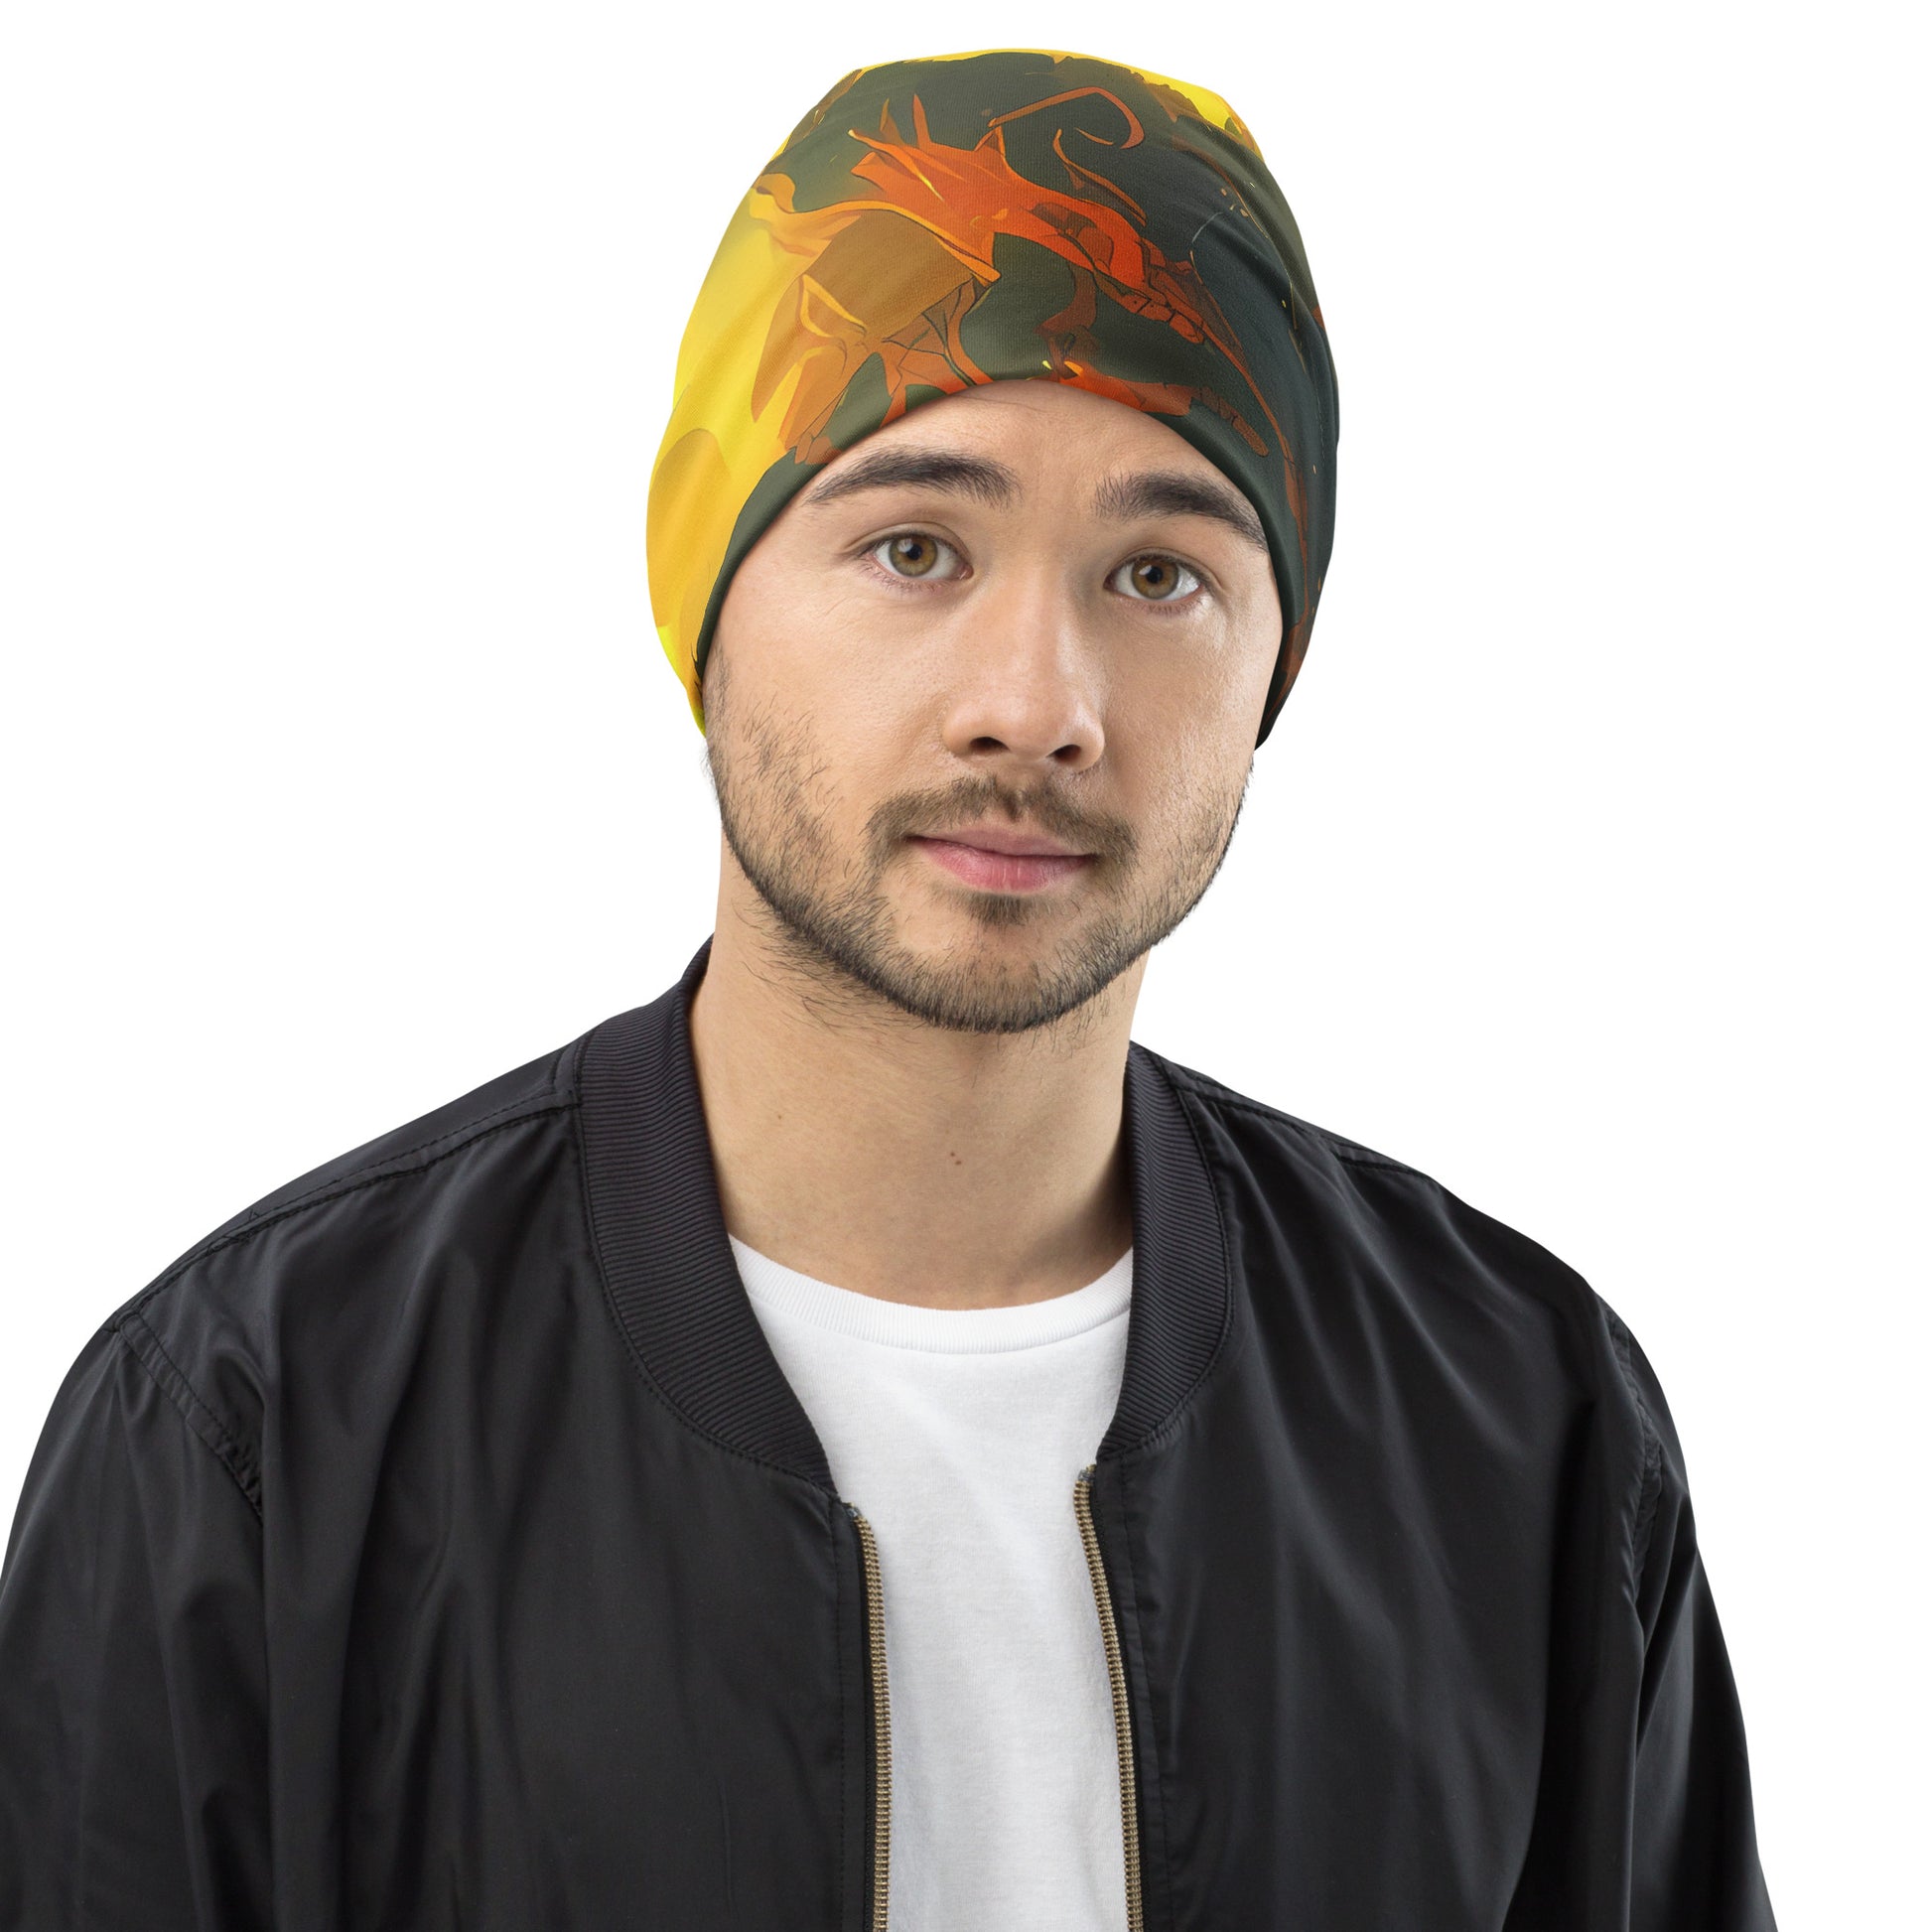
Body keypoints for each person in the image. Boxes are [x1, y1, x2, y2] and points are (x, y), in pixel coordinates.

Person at [0, 46, 1777, 1932]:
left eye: (1158, 574)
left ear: (1275, 660)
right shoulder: (265, 1422)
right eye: (914, 546)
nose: (1036, 703)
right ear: (708, 602)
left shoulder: (1517, 1419)